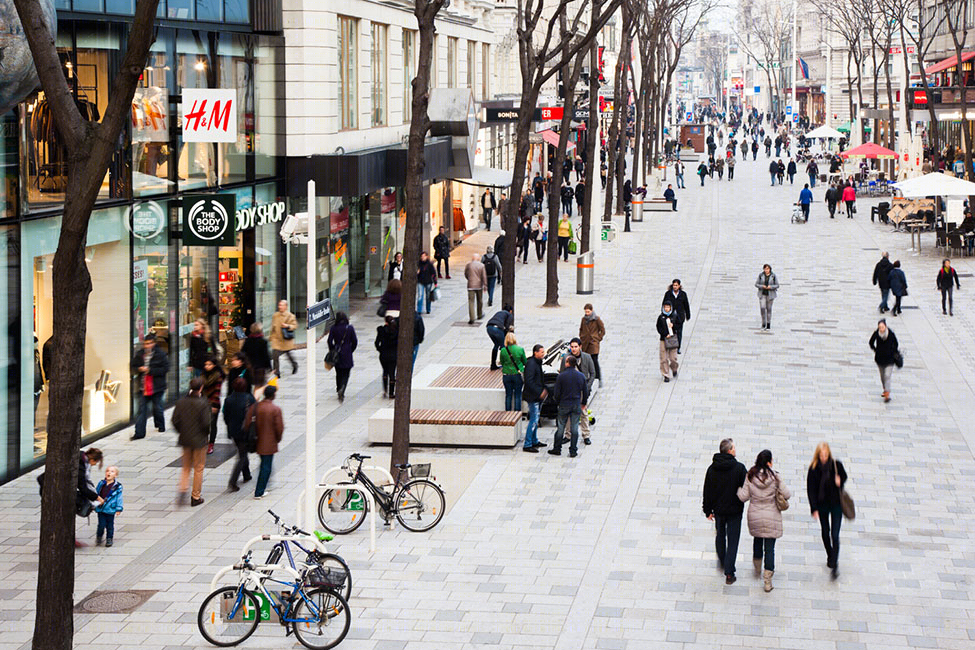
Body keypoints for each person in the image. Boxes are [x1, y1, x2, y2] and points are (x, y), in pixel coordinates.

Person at [737, 450, 790, 592]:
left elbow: (743, 497)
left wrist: (737, 489)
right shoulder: (776, 477)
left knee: (758, 541)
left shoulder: (751, 476)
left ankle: (757, 567)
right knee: (770, 549)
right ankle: (767, 581)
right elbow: (787, 494)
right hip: (771, 516)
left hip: (755, 516)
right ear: (768, 462)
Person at [703, 438, 747, 584]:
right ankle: (729, 572)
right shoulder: (739, 468)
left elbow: (707, 491)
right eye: (734, 448)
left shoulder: (712, 468)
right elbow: (746, 488)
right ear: (729, 451)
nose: (735, 450)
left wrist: (707, 510)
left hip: (719, 511)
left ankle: (722, 561)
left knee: (720, 536)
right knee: (733, 541)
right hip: (735, 511)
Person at [806, 442, 847, 579]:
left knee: (835, 535)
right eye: (821, 455)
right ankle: (830, 554)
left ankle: (834, 564)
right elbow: (811, 490)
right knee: (825, 532)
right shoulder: (813, 469)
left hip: (836, 505)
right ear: (818, 455)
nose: (823, 457)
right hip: (822, 505)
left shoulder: (836, 465)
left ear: (828, 453)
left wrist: (839, 482)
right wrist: (814, 508)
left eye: (825, 455)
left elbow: (844, 477)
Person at [172, 378, 210, 507]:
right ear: (201, 388)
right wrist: (205, 435)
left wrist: (181, 431)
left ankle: (183, 489)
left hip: (185, 439)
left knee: (186, 467)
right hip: (199, 441)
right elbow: (206, 423)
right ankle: (195, 496)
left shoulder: (181, 402)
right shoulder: (203, 403)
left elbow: (174, 420)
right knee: (198, 468)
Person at [245, 384, 284, 500]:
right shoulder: (275, 409)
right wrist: (277, 439)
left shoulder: (255, 407)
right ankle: (259, 491)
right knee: (266, 467)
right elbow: (279, 428)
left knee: (264, 464)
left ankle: (264, 485)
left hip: (257, 441)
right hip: (268, 443)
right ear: (273, 395)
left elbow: (247, 423)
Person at [547, 355, 589, 458]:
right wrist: (583, 403)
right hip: (576, 404)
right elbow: (585, 391)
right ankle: (573, 451)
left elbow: (556, 392)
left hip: (564, 404)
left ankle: (557, 448)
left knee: (561, 427)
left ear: (567, 363)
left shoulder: (561, 376)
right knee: (574, 428)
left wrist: (557, 401)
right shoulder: (581, 376)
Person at [130, 333, 169, 440]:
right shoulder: (140, 354)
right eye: (146, 344)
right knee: (141, 410)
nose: (147, 346)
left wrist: (151, 371)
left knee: (158, 407)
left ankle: (160, 425)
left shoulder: (160, 354)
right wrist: (139, 369)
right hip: (143, 387)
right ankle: (139, 433)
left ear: (154, 343)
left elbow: (165, 369)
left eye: (150, 343)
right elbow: (133, 366)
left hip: (157, 386)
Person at [559, 338, 596, 445]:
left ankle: (586, 435)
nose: (574, 349)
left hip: (582, 390)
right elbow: (562, 374)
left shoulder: (587, 357)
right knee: (568, 413)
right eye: (572, 346)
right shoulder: (566, 358)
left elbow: (593, 373)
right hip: (569, 391)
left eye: (576, 346)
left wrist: (587, 387)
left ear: (580, 346)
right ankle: (568, 435)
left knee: (583, 412)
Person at [223, 377, 256, 491]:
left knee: (242, 451)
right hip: (245, 431)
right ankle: (232, 482)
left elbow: (226, 416)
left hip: (233, 431)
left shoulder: (228, 400)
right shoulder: (249, 398)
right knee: (242, 456)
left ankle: (246, 475)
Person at [522, 344, 548, 453]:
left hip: (536, 396)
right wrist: (540, 392)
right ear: (535, 352)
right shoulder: (532, 364)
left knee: (536, 419)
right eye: (541, 352)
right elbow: (529, 381)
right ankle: (528, 444)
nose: (543, 354)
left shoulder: (536, 363)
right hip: (533, 397)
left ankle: (534, 440)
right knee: (533, 420)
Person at [326, 311, 357, 401]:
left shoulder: (334, 328)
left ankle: (338, 387)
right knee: (346, 373)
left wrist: (332, 349)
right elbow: (354, 341)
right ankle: (342, 388)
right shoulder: (349, 328)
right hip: (347, 352)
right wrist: (351, 349)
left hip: (337, 352)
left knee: (338, 372)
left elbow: (329, 341)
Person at [869, 319, 900, 403]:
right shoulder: (876, 334)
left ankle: (887, 394)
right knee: (882, 377)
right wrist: (876, 350)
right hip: (880, 359)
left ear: (885, 326)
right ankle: (885, 388)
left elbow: (896, 344)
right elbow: (871, 342)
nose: (881, 329)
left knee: (887, 375)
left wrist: (893, 351)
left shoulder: (891, 334)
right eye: (880, 327)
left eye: (882, 327)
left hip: (890, 360)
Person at [94, 466, 123, 547]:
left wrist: (119, 508)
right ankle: (99, 536)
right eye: (107, 471)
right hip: (101, 508)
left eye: (112, 471)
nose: (109, 473)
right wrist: (94, 502)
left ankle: (109, 538)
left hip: (111, 509)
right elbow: (96, 493)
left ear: (116, 475)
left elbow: (119, 498)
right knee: (101, 524)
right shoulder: (101, 483)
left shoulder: (117, 487)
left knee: (110, 525)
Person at [201, 357, 225, 454]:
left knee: (212, 424)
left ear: (214, 365)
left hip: (213, 403)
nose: (207, 366)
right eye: (206, 364)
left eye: (209, 364)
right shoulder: (202, 375)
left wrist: (214, 405)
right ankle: (205, 442)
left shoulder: (217, 376)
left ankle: (211, 444)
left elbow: (217, 392)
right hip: (203, 403)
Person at [269, 300, 298, 377]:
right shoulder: (275, 315)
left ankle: (294, 364)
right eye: (279, 305)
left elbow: (295, 326)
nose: (280, 307)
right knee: (275, 355)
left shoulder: (291, 316)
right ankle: (276, 372)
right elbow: (273, 326)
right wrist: (271, 336)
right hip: (276, 339)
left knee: (288, 354)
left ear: (286, 307)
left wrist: (287, 326)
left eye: (282, 305)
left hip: (286, 339)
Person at [499, 332, 527, 412]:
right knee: (518, 395)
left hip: (506, 375)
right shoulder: (520, 349)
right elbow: (525, 361)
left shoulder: (503, 350)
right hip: (517, 375)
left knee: (508, 395)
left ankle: (508, 413)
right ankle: (517, 414)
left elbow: (502, 362)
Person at [579, 303, 606, 384]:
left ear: (592, 310)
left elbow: (602, 330)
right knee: (586, 361)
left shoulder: (597, 319)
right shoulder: (583, 319)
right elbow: (581, 329)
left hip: (593, 343)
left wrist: (598, 338)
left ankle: (598, 377)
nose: (587, 313)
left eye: (588, 312)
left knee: (594, 360)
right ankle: (588, 377)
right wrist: (581, 337)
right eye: (586, 312)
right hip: (585, 342)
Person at [375, 315, 399, 398]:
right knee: (392, 373)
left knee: (385, 371)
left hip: (384, 354)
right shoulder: (397, 331)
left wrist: (380, 349)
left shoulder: (381, 330)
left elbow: (377, 342)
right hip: (393, 355)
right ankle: (391, 393)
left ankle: (385, 390)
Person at [656, 302, 679, 382]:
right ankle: (666, 374)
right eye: (665, 307)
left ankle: (674, 368)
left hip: (672, 339)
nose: (666, 309)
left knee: (673, 358)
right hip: (663, 339)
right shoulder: (661, 317)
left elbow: (679, 326)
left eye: (668, 307)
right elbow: (658, 328)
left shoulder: (674, 316)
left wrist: (673, 326)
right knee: (663, 358)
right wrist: (665, 334)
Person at [486, 305, 514, 371]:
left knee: (496, 345)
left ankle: (493, 364)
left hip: (489, 328)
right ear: (510, 311)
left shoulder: (499, 312)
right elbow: (507, 327)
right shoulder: (509, 315)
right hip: (497, 329)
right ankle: (507, 364)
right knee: (504, 347)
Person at [464, 254, 488, 324]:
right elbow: (484, 276)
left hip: (470, 285)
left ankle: (472, 318)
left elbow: (466, 273)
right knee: (479, 300)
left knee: (471, 301)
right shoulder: (481, 265)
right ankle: (479, 314)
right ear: (478, 259)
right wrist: (485, 285)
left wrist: (469, 279)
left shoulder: (469, 265)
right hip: (479, 285)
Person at [755, 264, 779, 330]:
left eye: (768, 269)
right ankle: (763, 323)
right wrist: (762, 286)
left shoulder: (773, 276)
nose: (766, 270)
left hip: (770, 295)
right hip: (762, 294)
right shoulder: (761, 275)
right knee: (762, 308)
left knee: (769, 309)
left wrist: (770, 287)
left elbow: (777, 285)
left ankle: (768, 323)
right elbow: (756, 284)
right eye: (765, 269)